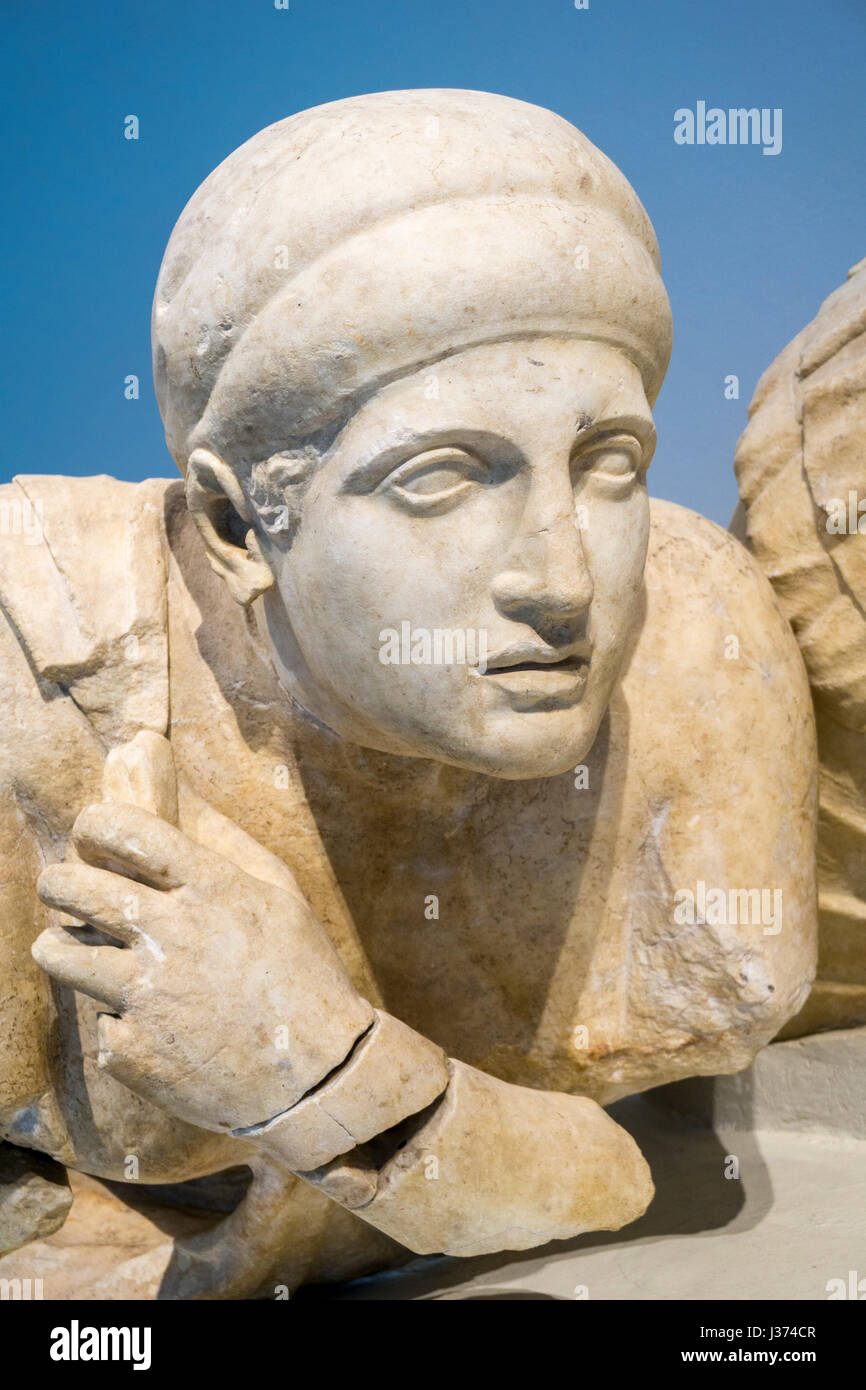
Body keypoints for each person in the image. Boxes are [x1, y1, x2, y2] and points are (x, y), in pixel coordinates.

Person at [0, 90, 816, 1296]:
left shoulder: (691, 640)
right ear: (235, 525)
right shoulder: (43, 673)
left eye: (609, 464)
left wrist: (316, 1068)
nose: (561, 580)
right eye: (442, 478)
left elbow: (631, 1168)